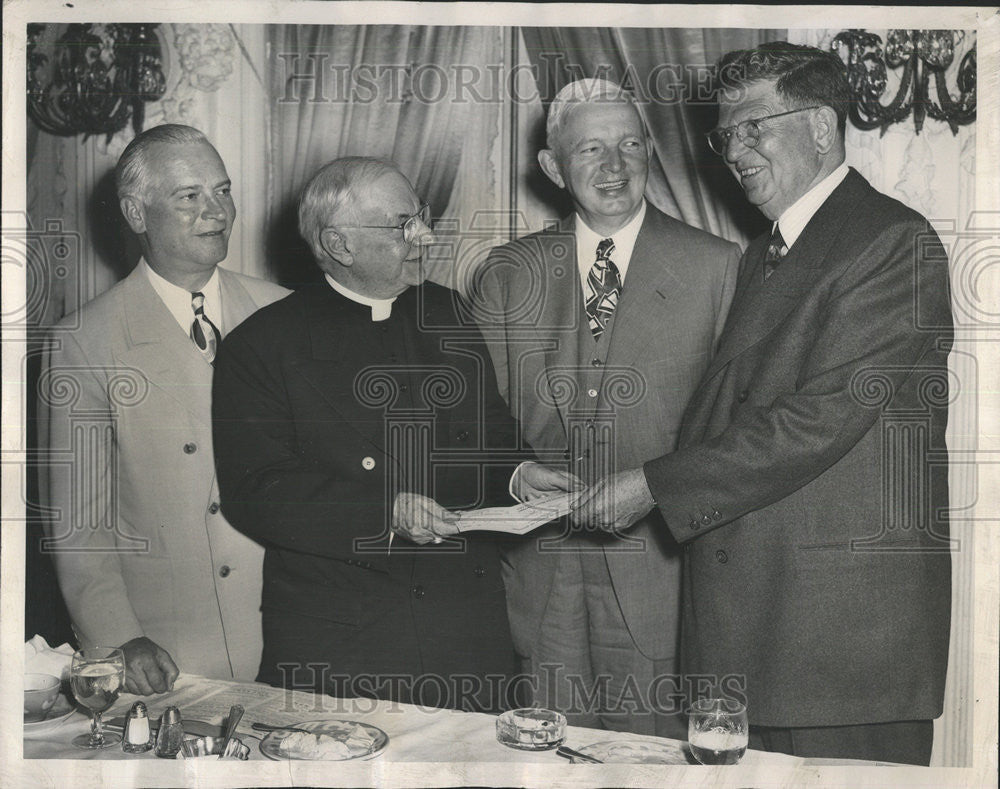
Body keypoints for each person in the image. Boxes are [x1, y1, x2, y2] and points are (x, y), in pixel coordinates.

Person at [573, 43, 953, 765]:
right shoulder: (766, 251)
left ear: (821, 126)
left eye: (754, 128)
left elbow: (821, 419)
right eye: (725, 135)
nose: (734, 152)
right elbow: (735, 413)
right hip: (761, 632)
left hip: (839, 651)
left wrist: (653, 485)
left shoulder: (890, 240)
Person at [211, 156, 577, 712]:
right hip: (346, 642)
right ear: (338, 245)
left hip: (463, 630)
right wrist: (385, 510)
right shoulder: (262, 347)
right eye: (402, 224)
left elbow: (490, 431)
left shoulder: (446, 311)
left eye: (421, 216)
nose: (424, 236)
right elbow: (258, 492)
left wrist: (518, 471)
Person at [471, 78, 741, 737]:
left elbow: (740, 432)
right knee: (549, 757)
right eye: (591, 148)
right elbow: (475, 424)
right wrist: (512, 473)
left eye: (628, 144)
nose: (613, 166)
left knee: (653, 763)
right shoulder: (507, 274)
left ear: (651, 151)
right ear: (552, 166)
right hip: (542, 579)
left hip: (665, 580)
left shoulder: (719, 268)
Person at [40, 124, 290, 694]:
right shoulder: (84, 340)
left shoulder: (284, 313)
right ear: (135, 212)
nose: (218, 211)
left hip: (291, 629)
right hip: (168, 650)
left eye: (223, 190)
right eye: (190, 196)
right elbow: (80, 523)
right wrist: (117, 638)